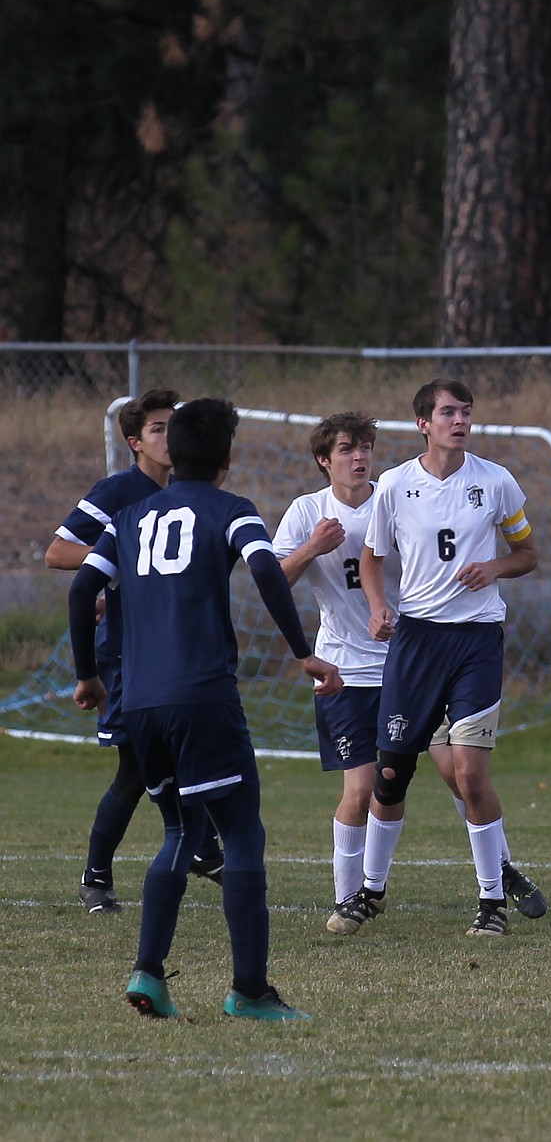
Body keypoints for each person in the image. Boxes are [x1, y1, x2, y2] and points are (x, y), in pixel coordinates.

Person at [68, 398, 343, 1021]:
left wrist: (87, 675)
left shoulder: (131, 513)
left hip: (140, 702)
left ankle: (149, 972)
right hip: (203, 696)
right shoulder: (231, 509)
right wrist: (303, 652)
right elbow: (267, 571)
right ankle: (249, 991)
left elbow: (84, 584)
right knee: (241, 832)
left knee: (179, 830)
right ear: (226, 459)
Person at [271, 411, 546, 937]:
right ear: (324, 461)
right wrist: (312, 548)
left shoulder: (399, 496)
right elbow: (271, 581)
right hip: (347, 668)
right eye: (347, 449)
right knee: (367, 787)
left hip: (418, 660)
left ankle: (500, 871)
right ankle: (351, 897)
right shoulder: (308, 511)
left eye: (366, 447)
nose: (359, 457)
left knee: (460, 774)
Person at [358, 379, 539, 937]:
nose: (459, 421)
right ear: (423, 424)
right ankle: (370, 891)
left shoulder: (495, 481)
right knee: (389, 773)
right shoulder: (392, 486)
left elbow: (527, 553)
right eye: (447, 413)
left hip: (476, 641)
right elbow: (371, 556)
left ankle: (491, 903)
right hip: (415, 642)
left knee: (470, 772)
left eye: (465, 412)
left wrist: (495, 569)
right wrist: (378, 604)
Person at [46, 387, 223, 913]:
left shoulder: (184, 493)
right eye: (157, 429)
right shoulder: (119, 490)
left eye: (174, 427)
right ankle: (97, 877)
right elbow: (58, 552)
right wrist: (114, 566)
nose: (169, 438)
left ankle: (198, 846)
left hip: (168, 651)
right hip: (125, 655)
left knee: (173, 757)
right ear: (134, 443)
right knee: (136, 769)